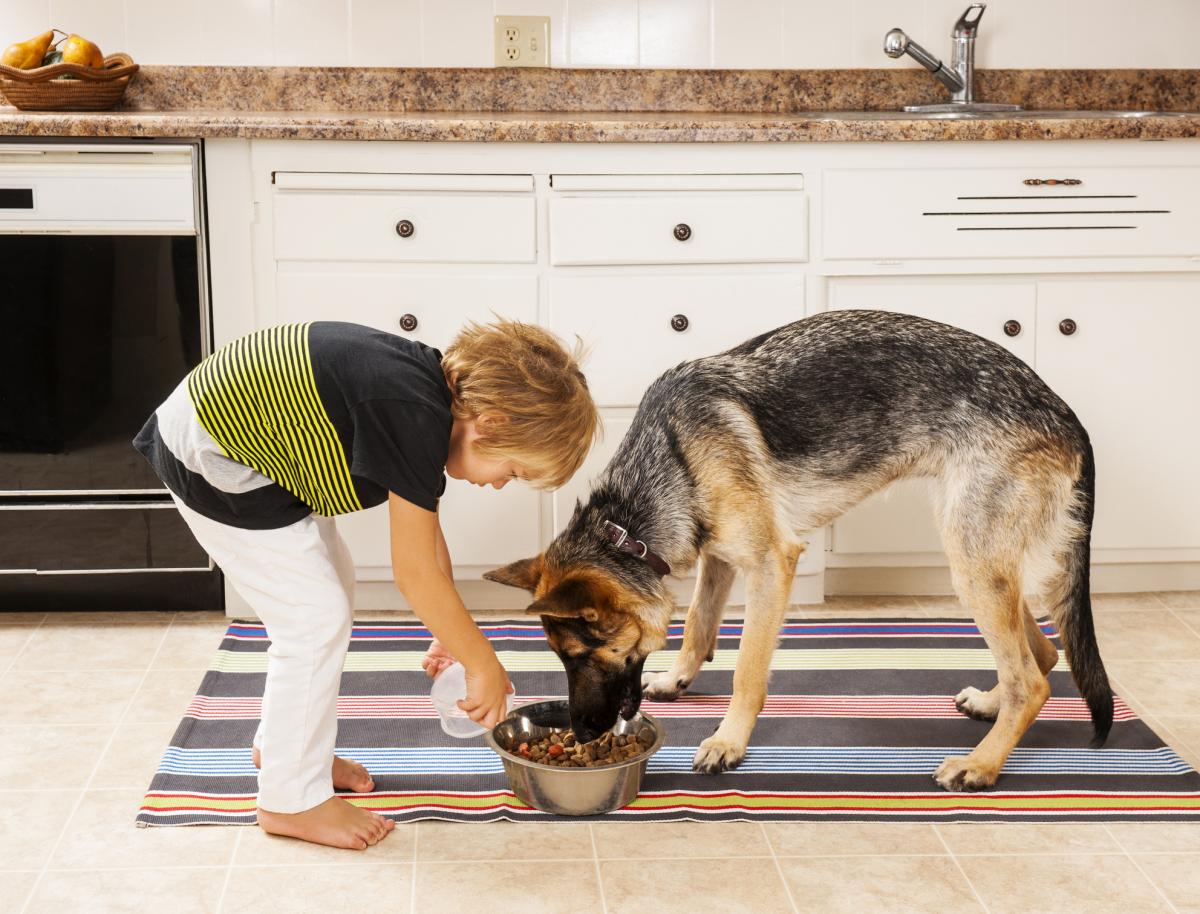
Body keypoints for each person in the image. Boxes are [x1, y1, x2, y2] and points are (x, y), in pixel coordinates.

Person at [134, 318, 599, 849]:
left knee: (330, 589)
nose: (497, 484)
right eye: (511, 471)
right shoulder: (414, 412)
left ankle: (286, 749)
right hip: (212, 454)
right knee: (312, 621)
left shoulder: (426, 400)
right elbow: (414, 572)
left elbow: (425, 539)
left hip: (256, 454)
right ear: (489, 424)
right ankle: (290, 801)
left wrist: (448, 628)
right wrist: (481, 661)